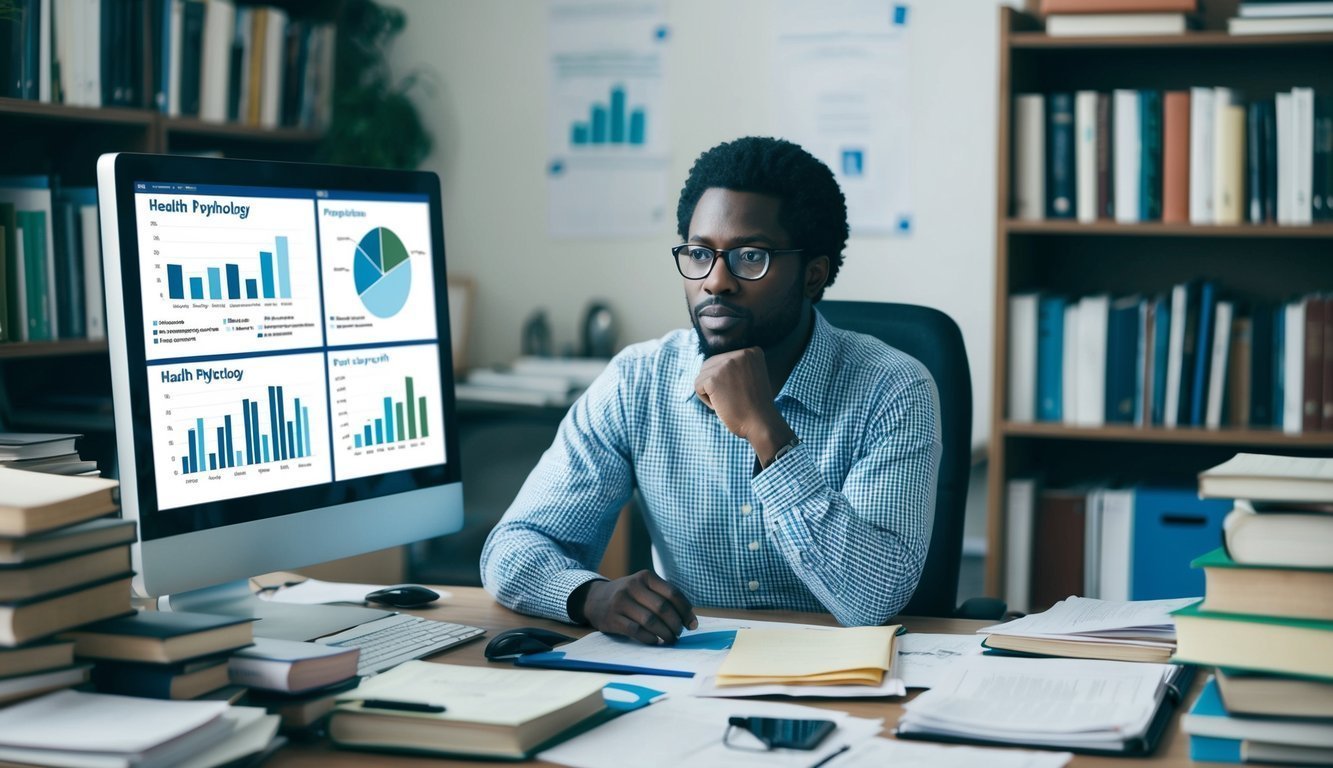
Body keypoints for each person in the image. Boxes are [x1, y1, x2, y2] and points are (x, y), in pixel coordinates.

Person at [481, 136, 941, 644]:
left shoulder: (894, 388)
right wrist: (590, 596)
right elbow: (512, 547)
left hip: (846, 680)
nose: (716, 281)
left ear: (813, 276)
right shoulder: (638, 382)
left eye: (750, 257)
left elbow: (874, 599)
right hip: (685, 678)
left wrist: (768, 434)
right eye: (700, 253)